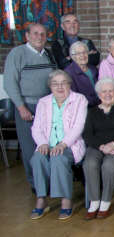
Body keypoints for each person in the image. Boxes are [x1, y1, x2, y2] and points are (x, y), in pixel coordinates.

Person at [3, 23, 56, 192]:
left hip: (47, 106)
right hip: (28, 106)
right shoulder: (17, 53)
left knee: (48, 144)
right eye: (35, 34)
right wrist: (21, 107)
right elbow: (9, 83)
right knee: (30, 147)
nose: (39, 37)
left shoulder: (48, 54)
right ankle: (36, 185)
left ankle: (48, 182)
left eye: (42, 34)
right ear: (27, 36)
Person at [29, 70, 88, 220]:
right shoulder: (43, 102)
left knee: (59, 158)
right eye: (55, 84)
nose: (59, 87)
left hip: (70, 145)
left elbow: (78, 127)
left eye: (63, 83)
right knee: (37, 159)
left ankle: (66, 200)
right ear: (50, 86)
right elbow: (36, 128)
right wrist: (42, 143)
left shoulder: (80, 99)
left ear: (70, 84)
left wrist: (63, 144)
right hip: (46, 144)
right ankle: (41, 199)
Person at [82, 78, 114, 220]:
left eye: (111, 90)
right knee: (89, 163)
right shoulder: (92, 112)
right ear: (99, 94)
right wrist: (102, 146)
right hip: (97, 146)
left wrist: (113, 144)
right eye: (104, 91)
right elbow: (87, 134)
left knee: (109, 165)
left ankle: (105, 202)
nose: (108, 94)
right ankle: (94, 202)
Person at [64, 41, 100, 107]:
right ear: (73, 56)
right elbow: (74, 96)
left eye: (84, 52)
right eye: (78, 53)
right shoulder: (68, 73)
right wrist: (94, 101)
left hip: (98, 106)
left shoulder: (93, 69)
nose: (82, 55)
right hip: (83, 107)